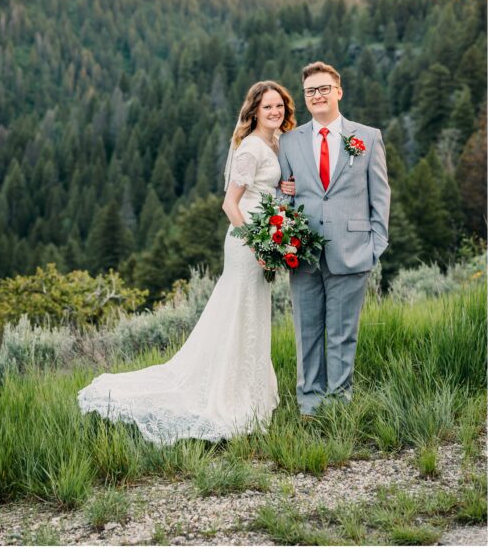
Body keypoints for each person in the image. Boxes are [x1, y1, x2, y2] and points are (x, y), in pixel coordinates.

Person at [78, 81, 295, 444]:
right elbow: (230, 205)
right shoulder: (250, 148)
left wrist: (281, 193)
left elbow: (265, 190)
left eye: (279, 106)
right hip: (247, 243)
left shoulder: (274, 143)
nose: (275, 112)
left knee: (252, 313)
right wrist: (256, 243)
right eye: (268, 107)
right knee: (239, 311)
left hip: (264, 238)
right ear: (254, 111)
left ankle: (251, 390)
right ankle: (227, 393)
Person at [276, 61, 389, 416]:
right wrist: (283, 205)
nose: (317, 95)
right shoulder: (290, 141)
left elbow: (380, 196)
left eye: (324, 88)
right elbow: (285, 195)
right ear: (305, 97)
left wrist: (375, 246)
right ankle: (309, 405)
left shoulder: (367, 137)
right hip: (304, 253)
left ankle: (339, 406)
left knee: (342, 335)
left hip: (352, 251)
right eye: (310, 91)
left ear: (338, 92)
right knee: (306, 333)